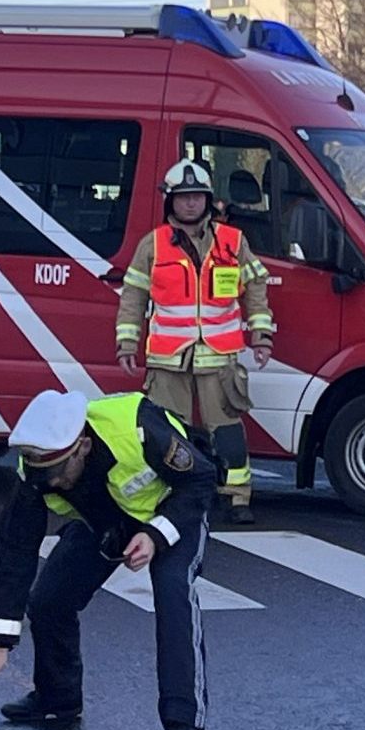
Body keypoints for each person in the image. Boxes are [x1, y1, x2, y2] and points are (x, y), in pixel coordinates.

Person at [0, 388, 216, 730]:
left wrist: (155, 535)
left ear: (82, 446)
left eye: (58, 473)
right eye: (44, 475)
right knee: (49, 601)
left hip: (174, 513)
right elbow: (17, 552)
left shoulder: (135, 425)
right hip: (107, 522)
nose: (53, 483)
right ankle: (57, 699)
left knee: (173, 592)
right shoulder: (37, 473)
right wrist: (0, 645)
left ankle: (183, 726)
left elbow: (200, 481)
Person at [115, 157, 273, 525]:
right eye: (183, 196)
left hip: (219, 357)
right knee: (168, 432)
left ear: (208, 200)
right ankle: (174, 494)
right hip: (169, 358)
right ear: (170, 200)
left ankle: (235, 497)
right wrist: (127, 342)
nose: (190, 203)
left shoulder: (232, 241)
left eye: (197, 196)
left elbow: (256, 286)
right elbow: (133, 296)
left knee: (227, 430)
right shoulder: (153, 245)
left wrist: (261, 335)